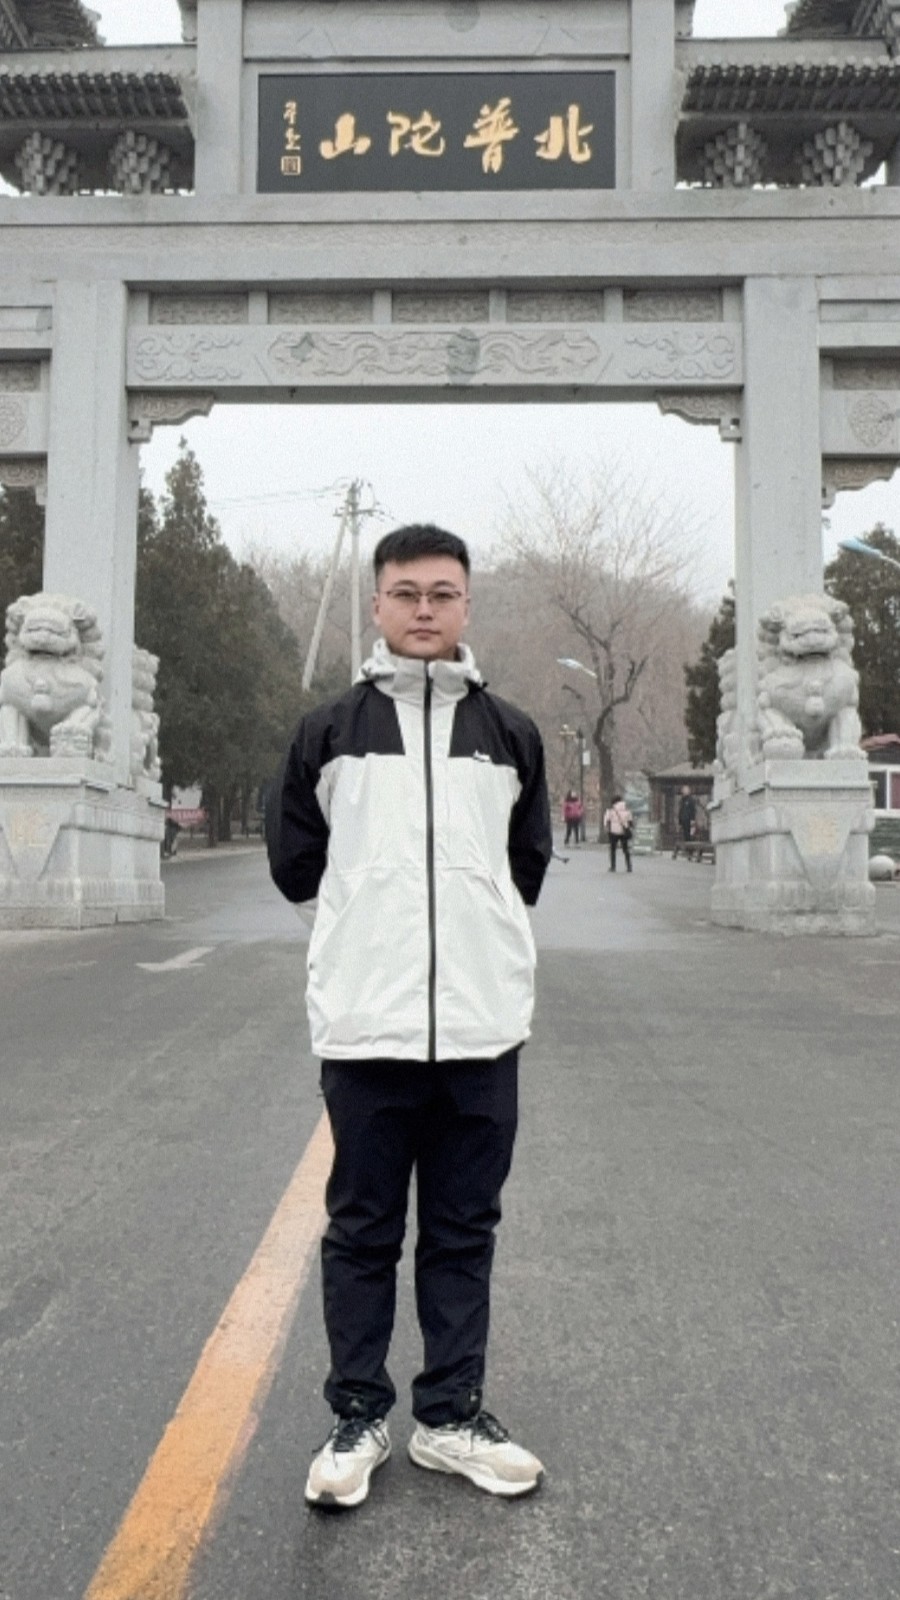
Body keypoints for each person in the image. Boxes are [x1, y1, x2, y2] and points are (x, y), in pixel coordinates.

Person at [266, 523, 552, 1511]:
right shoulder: (329, 732)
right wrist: (364, 930)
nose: (424, 609)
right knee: (362, 1229)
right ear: (378, 603)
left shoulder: (510, 733)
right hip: (366, 1029)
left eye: (442, 592)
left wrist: (476, 940)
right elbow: (296, 864)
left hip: (482, 1030)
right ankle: (357, 1415)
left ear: (466, 603)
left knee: (464, 1230)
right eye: (405, 592)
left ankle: (451, 1416)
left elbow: (525, 867)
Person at [603, 793, 633, 872]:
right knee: (626, 850)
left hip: (613, 832)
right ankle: (629, 866)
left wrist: (607, 829)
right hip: (624, 832)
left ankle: (613, 867)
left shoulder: (610, 810)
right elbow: (630, 822)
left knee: (613, 850)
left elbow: (606, 821)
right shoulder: (627, 810)